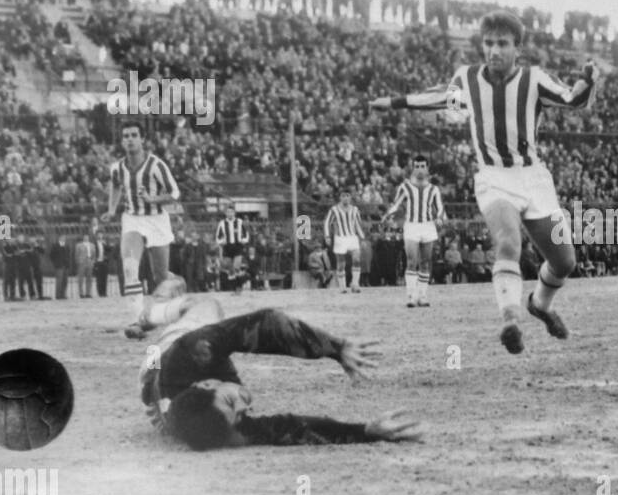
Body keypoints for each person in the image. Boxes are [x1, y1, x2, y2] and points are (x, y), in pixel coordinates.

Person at [372, 11, 599, 353]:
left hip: (534, 180)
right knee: (508, 241)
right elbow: (436, 97)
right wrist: (394, 102)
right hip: (493, 178)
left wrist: (588, 80)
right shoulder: (467, 78)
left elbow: (572, 99)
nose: (494, 51)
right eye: (489, 43)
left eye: (502, 44)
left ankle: (539, 305)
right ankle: (510, 318)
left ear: (517, 48)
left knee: (565, 261)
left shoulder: (533, 79)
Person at [138, 294, 420, 450]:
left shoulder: (195, 351)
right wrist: (365, 431)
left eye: (230, 401)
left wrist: (336, 348)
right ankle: (157, 304)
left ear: (207, 383)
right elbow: (289, 429)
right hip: (160, 397)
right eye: (239, 414)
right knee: (204, 303)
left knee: (205, 305)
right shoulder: (219, 427)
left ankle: (150, 312)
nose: (244, 404)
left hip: (161, 358)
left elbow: (266, 324)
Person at [103, 122, 181, 337]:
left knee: (160, 277)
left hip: (156, 220)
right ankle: (136, 321)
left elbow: (174, 193)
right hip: (132, 220)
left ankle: (176, 285)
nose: (129, 139)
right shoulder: (117, 168)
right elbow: (116, 186)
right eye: (125, 135)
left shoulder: (156, 165)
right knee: (129, 268)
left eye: (134, 135)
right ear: (121, 141)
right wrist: (111, 211)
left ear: (142, 139)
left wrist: (152, 198)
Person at [385, 155, 446, 307]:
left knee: (425, 262)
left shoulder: (433, 189)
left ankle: (422, 295)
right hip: (411, 226)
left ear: (427, 168)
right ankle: (411, 296)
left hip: (428, 226)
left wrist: (439, 219)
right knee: (411, 261)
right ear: (413, 168)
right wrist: (387, 215)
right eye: (417, 166)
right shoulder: (405, 187)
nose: (419, 169)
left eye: (422, 166)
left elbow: (440, 209)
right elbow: (397, 204)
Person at [324, 190, 368, 294]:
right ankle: (342, 287)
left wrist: (362, 238)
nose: (346, 198)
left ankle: (355, 284)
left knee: (357, 259)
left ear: (350, 197)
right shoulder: (334, 210)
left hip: (352, 237)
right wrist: (327, 236)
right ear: (340, 197)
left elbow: (358, 224)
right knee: (341, 264)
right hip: (340, 238)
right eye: (343, 196)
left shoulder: (355, 209)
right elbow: (327, 223)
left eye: (347, 195)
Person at [215, 204, 250, 293]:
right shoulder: (222, 223)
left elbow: (246, 234)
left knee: (236, 267)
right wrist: (221, 242)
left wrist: (244, 240)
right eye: (228, 212)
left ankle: (239, 288)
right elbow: (218, 237)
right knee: (231, 270)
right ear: (225, 213)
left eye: (231, 212)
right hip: (227, 248)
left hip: (237, 246)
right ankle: (235, 289)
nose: (229, 214)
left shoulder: (239, 222)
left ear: (234, 213)